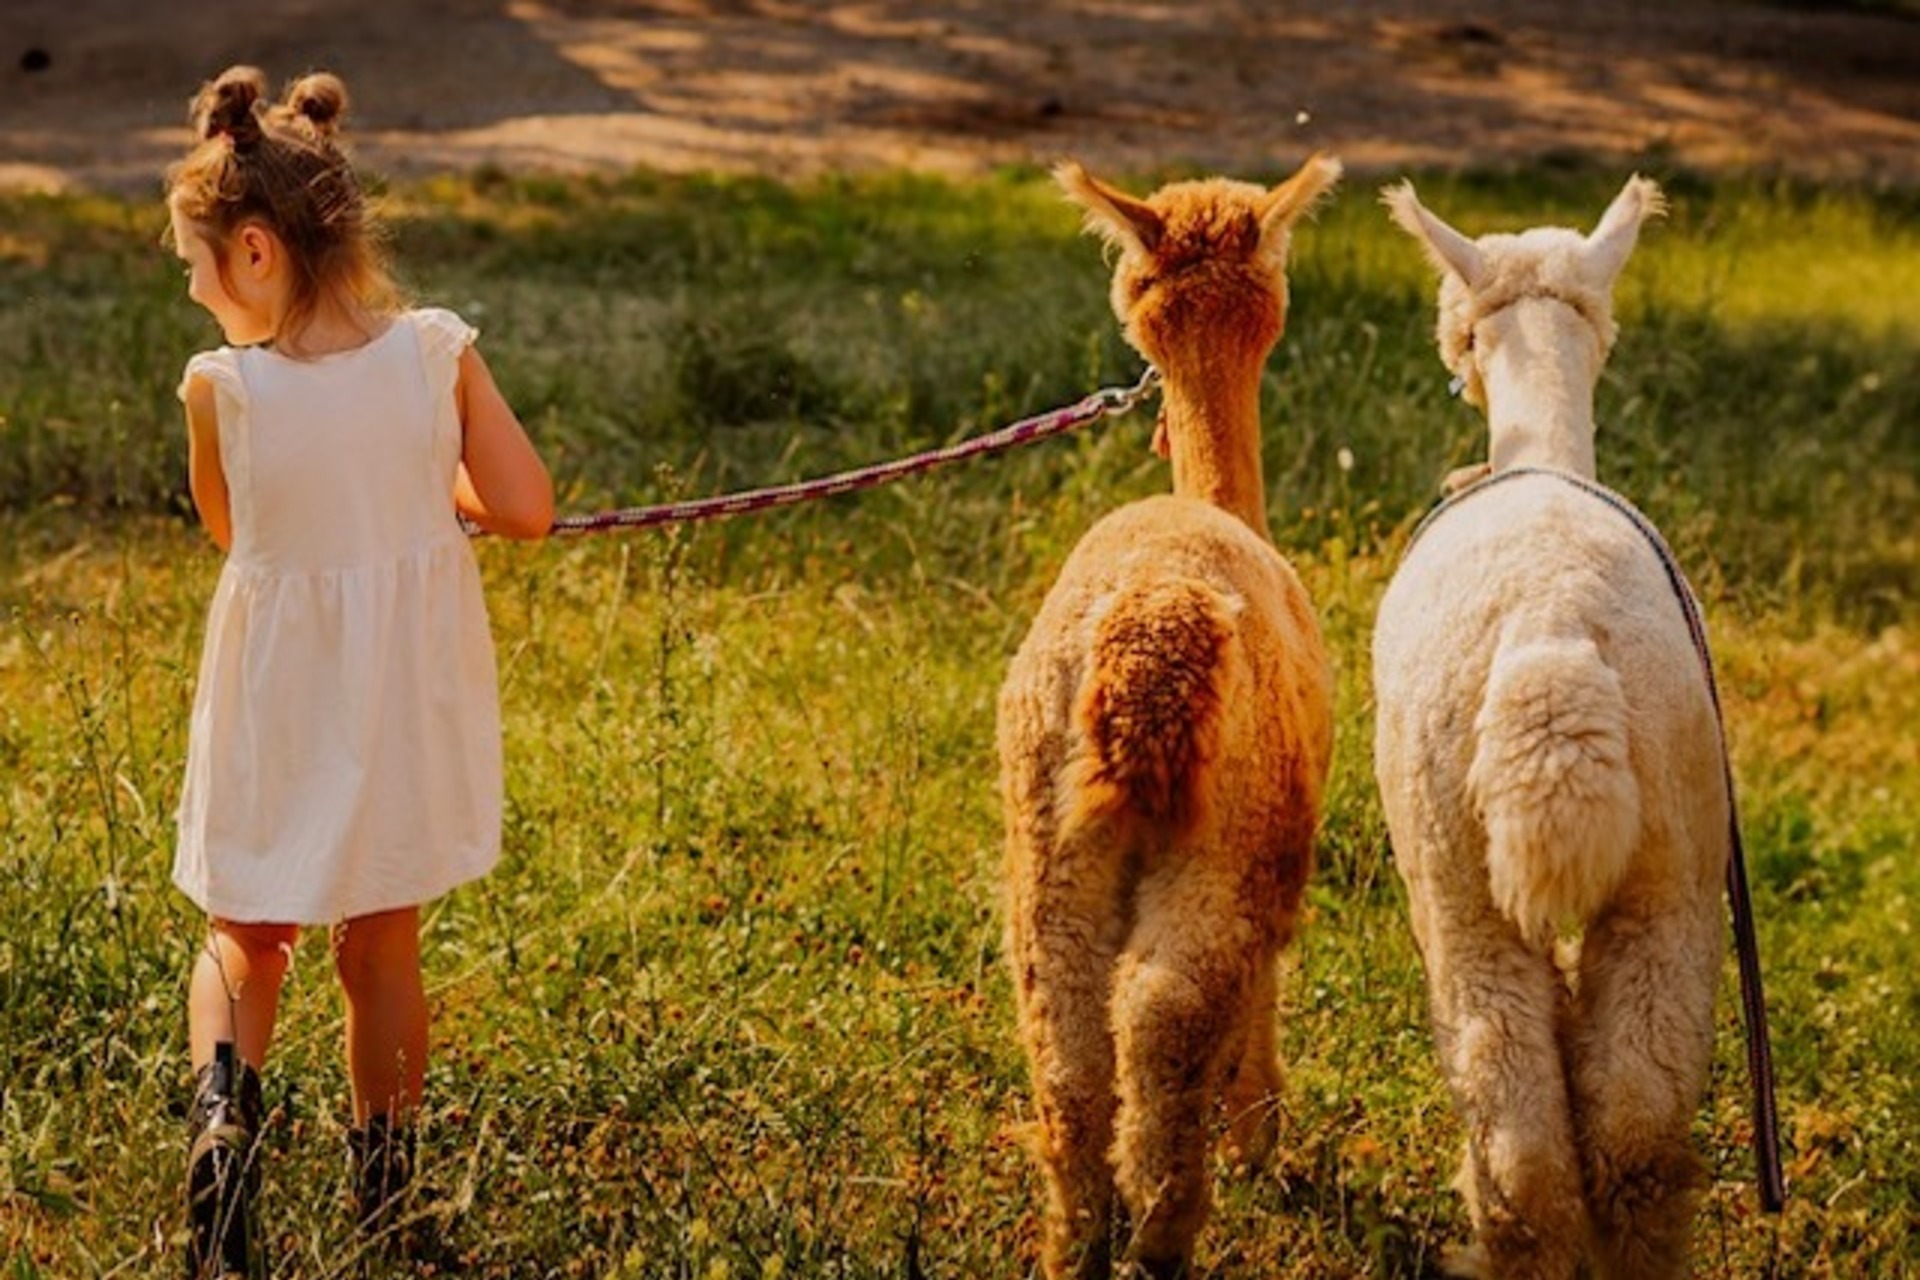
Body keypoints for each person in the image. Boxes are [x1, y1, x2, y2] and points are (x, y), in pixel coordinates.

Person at [164, 64, 552, 1276]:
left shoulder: (223, 388)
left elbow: (242, 533)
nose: (190, 285)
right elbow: (527, 508)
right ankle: (388, 1198)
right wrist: (429, 490)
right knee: (381, 946)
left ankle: (225, 1154)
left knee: (247, 933)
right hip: (392, 699)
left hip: (277, 698)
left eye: (195, 260)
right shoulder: (436, 353)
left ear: (259, 251)